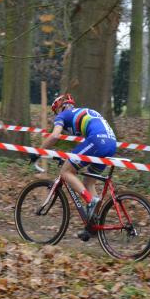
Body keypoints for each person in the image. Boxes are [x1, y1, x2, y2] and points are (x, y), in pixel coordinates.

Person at [33, 93, 117, 222]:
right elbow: (83, 148)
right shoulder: (82, 112)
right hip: (111, 143)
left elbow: (55, 136)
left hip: (98, 141)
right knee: (88, 182)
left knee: (66, 171)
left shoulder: (62, 115)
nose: (57, 115)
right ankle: (94, 224)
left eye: (56, 112)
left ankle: (90, 201)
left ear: (60, 108)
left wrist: (38, 152)